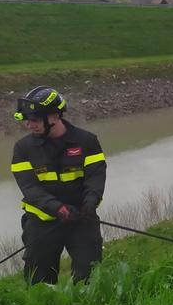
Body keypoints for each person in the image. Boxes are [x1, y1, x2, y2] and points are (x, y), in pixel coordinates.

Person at [11, 86, 107, 284]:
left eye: (35, 119)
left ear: (54, 115)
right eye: (26, 119)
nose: (29, 125)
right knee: (39, 282)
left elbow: (95, 177)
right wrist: (58, 208)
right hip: (41, 222)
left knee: (90, 276)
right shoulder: (23, 149)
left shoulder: (87, 141)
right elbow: (29, 188)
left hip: (82, 218)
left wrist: (90, 203)